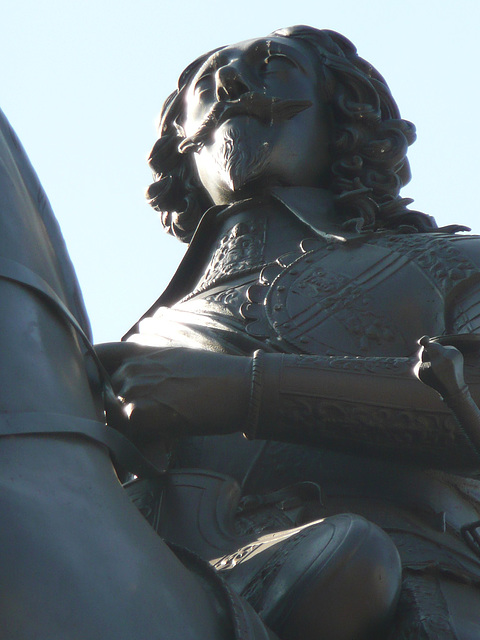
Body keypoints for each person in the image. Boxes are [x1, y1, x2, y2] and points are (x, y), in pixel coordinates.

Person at [102, 26, 480, 639]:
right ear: (181, 141)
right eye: (205, 85)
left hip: (418, 589)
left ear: (346, 113)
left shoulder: (453, 264)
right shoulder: (136, 342)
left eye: (273, 66)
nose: (229, 85)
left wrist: (240, 389)